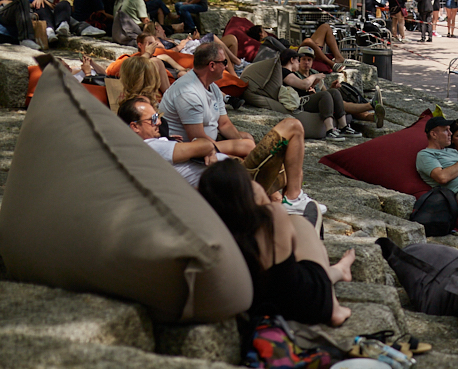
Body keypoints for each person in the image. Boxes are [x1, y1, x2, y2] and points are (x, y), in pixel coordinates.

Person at [162, 41, 322, 214]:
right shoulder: (188, 92)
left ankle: (282, 198)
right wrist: (240, 147)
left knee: (246, 138)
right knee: (292, 126)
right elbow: (197, 139)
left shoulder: (212, 87)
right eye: (224, 62)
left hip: (208, 144)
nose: (227, 66)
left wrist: (241, 142)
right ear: (212, 65)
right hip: (192, 155)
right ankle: (289, 198)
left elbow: (224, 124)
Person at [198, 158, 354, 327]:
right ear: (245, 189)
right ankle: (335, 309)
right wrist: (261, 198)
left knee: (291, 265)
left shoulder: (216, 229)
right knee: (301, 226)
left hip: (258, 307)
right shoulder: (274, 214)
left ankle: (339, 270)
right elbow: (290, 244)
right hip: (303, 303)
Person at [119, 96, 226, 187]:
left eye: (157, 116)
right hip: (219, 185)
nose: (159, 122)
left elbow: (206, 146)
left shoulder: (147, 146)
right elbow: (206, 146)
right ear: (135, 126)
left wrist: (207, 149)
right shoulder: (150, 147)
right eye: (153, 119)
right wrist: (206, 148)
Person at [294, 47, 372, 127]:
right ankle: (370, 106)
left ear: (312, 62)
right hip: (311, 103)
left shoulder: (315, 73)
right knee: (342, 105)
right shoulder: (295, 76)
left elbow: (325, 92)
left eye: (309, 60)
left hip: (324, 101)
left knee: (341, 102)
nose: (306, 62)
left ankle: (371, 116)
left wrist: (332, 88)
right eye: (303, 59)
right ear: (299, 61)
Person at [282, 49, 349, 141]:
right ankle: (329, 130)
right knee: (324, 95)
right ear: (292, 60)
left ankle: (344, 127)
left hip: (304, 98)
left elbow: (301, 88)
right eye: (298, 60)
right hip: (298, 102)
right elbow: (303, 84)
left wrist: (312, 86)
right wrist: (314, 76)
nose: (299, 63)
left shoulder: (290, 73)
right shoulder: (285, 72)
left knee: (334, 92)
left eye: (309, 60)